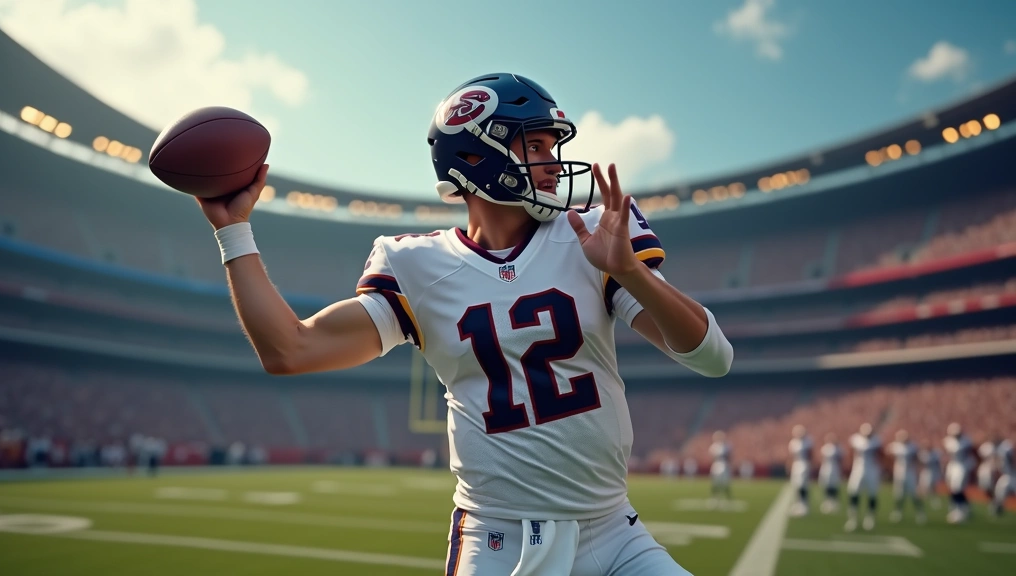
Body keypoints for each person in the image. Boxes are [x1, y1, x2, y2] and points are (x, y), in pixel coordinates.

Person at [195, 73, 733, 576]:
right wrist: (234, 230)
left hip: (615, 532)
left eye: (553, 147)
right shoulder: (413, 265)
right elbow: (290, 350)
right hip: (496, 543)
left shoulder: (593, 233)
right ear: (477, 155)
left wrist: (630, 273)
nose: (552, 163)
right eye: (536, 146)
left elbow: (714, 357)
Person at [845, 422, 881, 532]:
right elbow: (850, 454)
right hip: (858, 469)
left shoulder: (876, 441)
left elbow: (880, 455)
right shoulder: (855, 439)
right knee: (853, 492)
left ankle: (870, 518)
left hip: (872, 469)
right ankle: (853, 518)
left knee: (872, 494)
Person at [886, 429, 924, 524]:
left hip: (910, 472)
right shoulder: (894, 446)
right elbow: (887, 456)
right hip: (898, 472)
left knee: (914, 494)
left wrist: (918, 471)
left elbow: (917, 459)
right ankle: (898, 512)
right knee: (899, 494)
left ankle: (920, 512)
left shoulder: (913, 446)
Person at [943, 422, 973, 524]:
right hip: (952, 465)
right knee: (952, 488)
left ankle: (959, 510)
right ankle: (962, 507)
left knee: (957, 487)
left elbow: (970, 453)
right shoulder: (948, 441)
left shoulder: (966, 441)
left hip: (962, 465)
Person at [788, 424, 813, 517]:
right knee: (796, 484)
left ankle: (804, 505)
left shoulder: (808, 441)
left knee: (803, 484)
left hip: (804, 464)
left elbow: (810, 455)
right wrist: (789, 466)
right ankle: (798, 503)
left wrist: (810, 465)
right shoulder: (793, 442)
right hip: (796, 464)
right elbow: (791, 457)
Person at [818, 432, 843, 514]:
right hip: (826, 467)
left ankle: (834, 501)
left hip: (834, 468)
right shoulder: (825, 448)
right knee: (826, 484)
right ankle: (828, 500)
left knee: (834, 484)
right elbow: (822, 458)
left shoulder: (838, 448)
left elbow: (841, 459)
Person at [709, 431, 733, 501]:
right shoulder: (714, 446)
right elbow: (712, 458)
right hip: (716, 465)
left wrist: (730, 465)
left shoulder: (727, 446)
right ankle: (715, 497)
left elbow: (729, 457)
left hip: (724, 465)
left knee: (725, 482)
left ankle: (728, 497)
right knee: (715, 482)